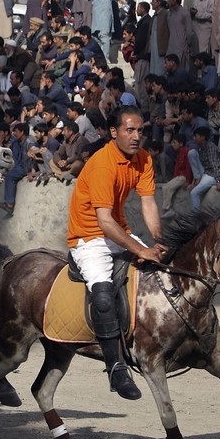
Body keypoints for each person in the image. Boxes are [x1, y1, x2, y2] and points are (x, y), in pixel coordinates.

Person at [66, 106, 164, 401]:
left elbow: (148, 203)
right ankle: (116, 367)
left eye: (140, 131)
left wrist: (159, 241)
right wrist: (140, 249)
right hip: (89, 237)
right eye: (129, 131)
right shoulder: (101, 165)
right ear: (114, 132)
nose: (136, 137)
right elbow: (104, 222)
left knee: (159, 272)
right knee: (104, 294)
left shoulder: (143, 159)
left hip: (117, 231)